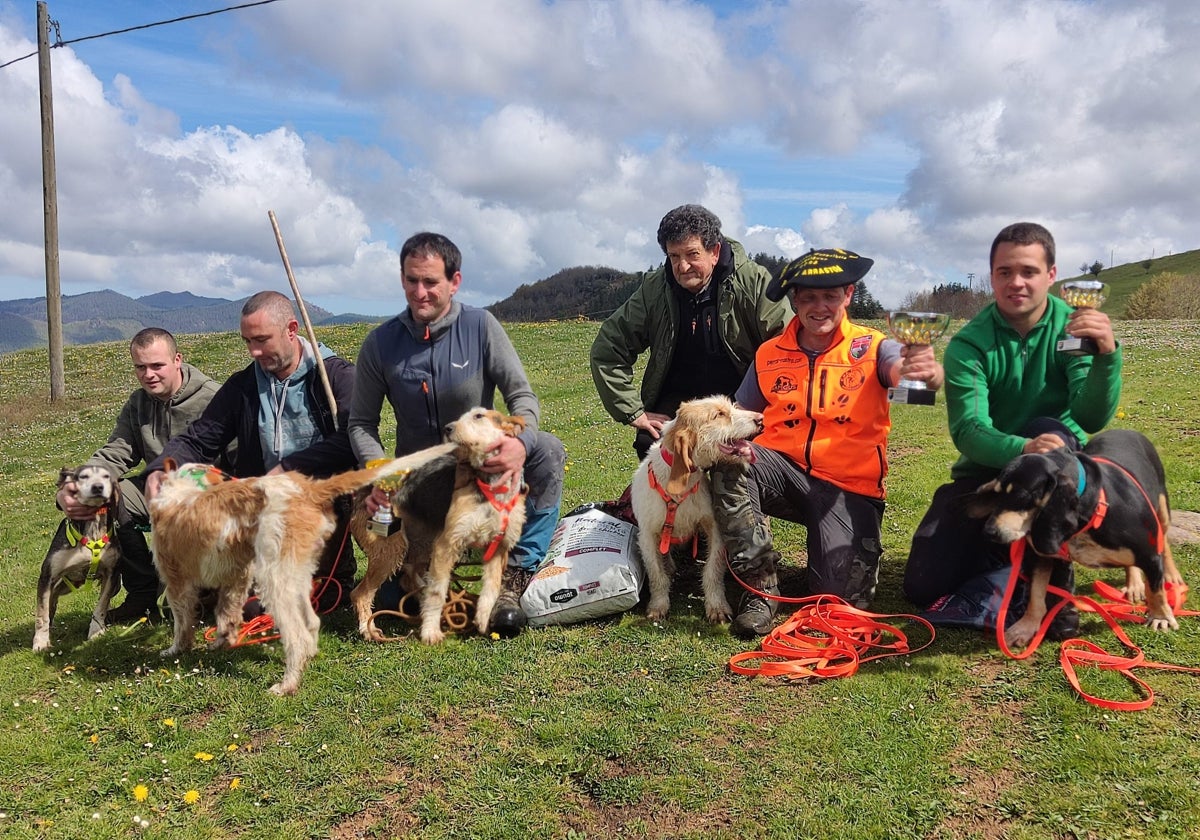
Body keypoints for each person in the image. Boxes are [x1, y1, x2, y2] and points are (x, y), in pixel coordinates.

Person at [710, 248, 944, 638]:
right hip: (782, 473)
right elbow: (739, 417)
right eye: (809, 297)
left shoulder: (873, 346)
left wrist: (924, 373)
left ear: (849, 295)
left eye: (830, 296)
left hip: (849, 488)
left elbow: (906, 379)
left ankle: (841, 562)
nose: (820, 307)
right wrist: (723, 444)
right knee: (730, 463)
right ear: (794, 301)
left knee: (834, 604)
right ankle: (760, 589)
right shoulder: (769, 354)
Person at [903, 222, 1122, 631]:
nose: (1016, 282)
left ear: (1052, 275)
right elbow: (968, 429)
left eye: (1028, 271)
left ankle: (1036, 571)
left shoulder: (1073, 328)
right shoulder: (970, 343)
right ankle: (1014, 567)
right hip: (989, 472)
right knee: (922, 585)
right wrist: (1024, 449)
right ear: (991, 276)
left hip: (1057, 473)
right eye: (1004, 272)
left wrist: (1107, 356)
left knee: (1050, 428)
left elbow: (1091, 418)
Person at [348, 232, 567, 638]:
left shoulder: (481, 326)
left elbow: (521, 395)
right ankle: (406, 569)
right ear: (401, 279)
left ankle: (513, 577)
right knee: (400, 593)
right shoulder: (380, 343)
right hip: (416, 484)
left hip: (477, 472)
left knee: (548, 450)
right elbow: (361, 423)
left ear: (455, 281)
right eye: (411, 280)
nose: (420, 292)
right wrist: (380, 473)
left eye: (431, 282)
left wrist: (520, 444)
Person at [145, 291, 359, 611]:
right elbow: (199, 439)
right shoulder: (243, 386)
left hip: (324, 503)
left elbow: (353, 438)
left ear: (291, 329)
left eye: (262, 340)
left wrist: (288, 468)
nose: (254, 351)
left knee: (301, 598)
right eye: (247, 341)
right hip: (261, 511)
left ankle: (331, 580)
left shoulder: (336, 377)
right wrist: (162, 468)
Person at [590, 204, 790, 461]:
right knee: (652, 444)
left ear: (714, 251)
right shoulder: (654, 289)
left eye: (692, 254)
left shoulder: (752, 282)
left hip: (739, 400)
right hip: (678, 404)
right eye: (674, 256)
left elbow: (786, 347)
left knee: (734, 471)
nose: (683, 267)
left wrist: (762, 408)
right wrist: (633, 412)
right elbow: (609, 348)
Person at [57, 328, 225, 624]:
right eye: (140, 367)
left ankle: (205, 590)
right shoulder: (138, 403)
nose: (148, 374)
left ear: (177, 360)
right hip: (156, 490)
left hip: (207, 498)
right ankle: (142, 592)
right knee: (110, 493)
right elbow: (115, 453)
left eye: (157, 365)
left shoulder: (213, 398)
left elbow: (236, 463)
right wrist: (74, 486)